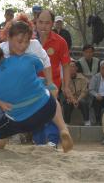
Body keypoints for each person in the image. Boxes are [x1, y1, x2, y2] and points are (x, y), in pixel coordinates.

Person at [0, 41, 73, 157]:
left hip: (21, 120)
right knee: (47, 93)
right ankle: (63, 128)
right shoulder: (25, 59)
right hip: (47, 108)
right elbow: (40, 64)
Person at [33, 9, 72, 147]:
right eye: (40, 22)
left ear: (53, 24)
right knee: (35, 112)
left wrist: (66, 86)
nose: (43, 26)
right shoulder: (28, 40)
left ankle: (52, 141)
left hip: (52, 83)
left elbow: (66, 65)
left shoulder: (61, 42)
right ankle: (39, 142)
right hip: (32, 84)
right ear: (35, 22)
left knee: (51, 109)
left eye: (47, 23)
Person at [62, 60, 90, 126]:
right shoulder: (65, 79)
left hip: (80, 98)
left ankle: (87, 121)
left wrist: (77, 100)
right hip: (70, 98)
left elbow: (84, 91)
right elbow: (65, 91)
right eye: (70, 66)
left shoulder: (83, 78)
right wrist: (73, 100)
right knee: (67, 102)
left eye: (73, 66)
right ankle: (67, 122)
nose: (72, 68)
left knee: (83, 102)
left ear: (76, 68)